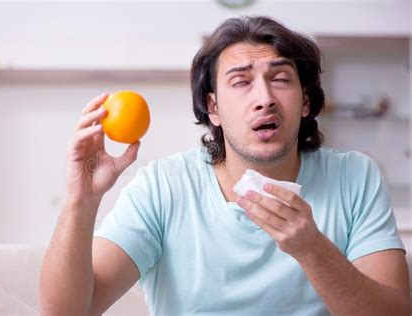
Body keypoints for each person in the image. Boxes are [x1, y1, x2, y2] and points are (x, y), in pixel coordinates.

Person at [40, 16, 410, 316]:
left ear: (306, 102)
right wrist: (81, 200)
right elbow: (66, 312)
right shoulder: (163, 186)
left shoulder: (354, 177)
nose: (264, 98)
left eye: (280, 79)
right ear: (213, 108)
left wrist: (311, 248)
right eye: (241, 82)